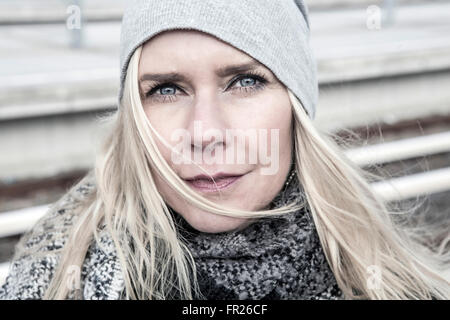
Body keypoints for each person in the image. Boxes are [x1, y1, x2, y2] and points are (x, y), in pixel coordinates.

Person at [1, 0, 448, 300]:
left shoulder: (398, 288)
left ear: (297, 106)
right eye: (167, 90)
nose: (204, 133)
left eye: (245, 81)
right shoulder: (53, 279)